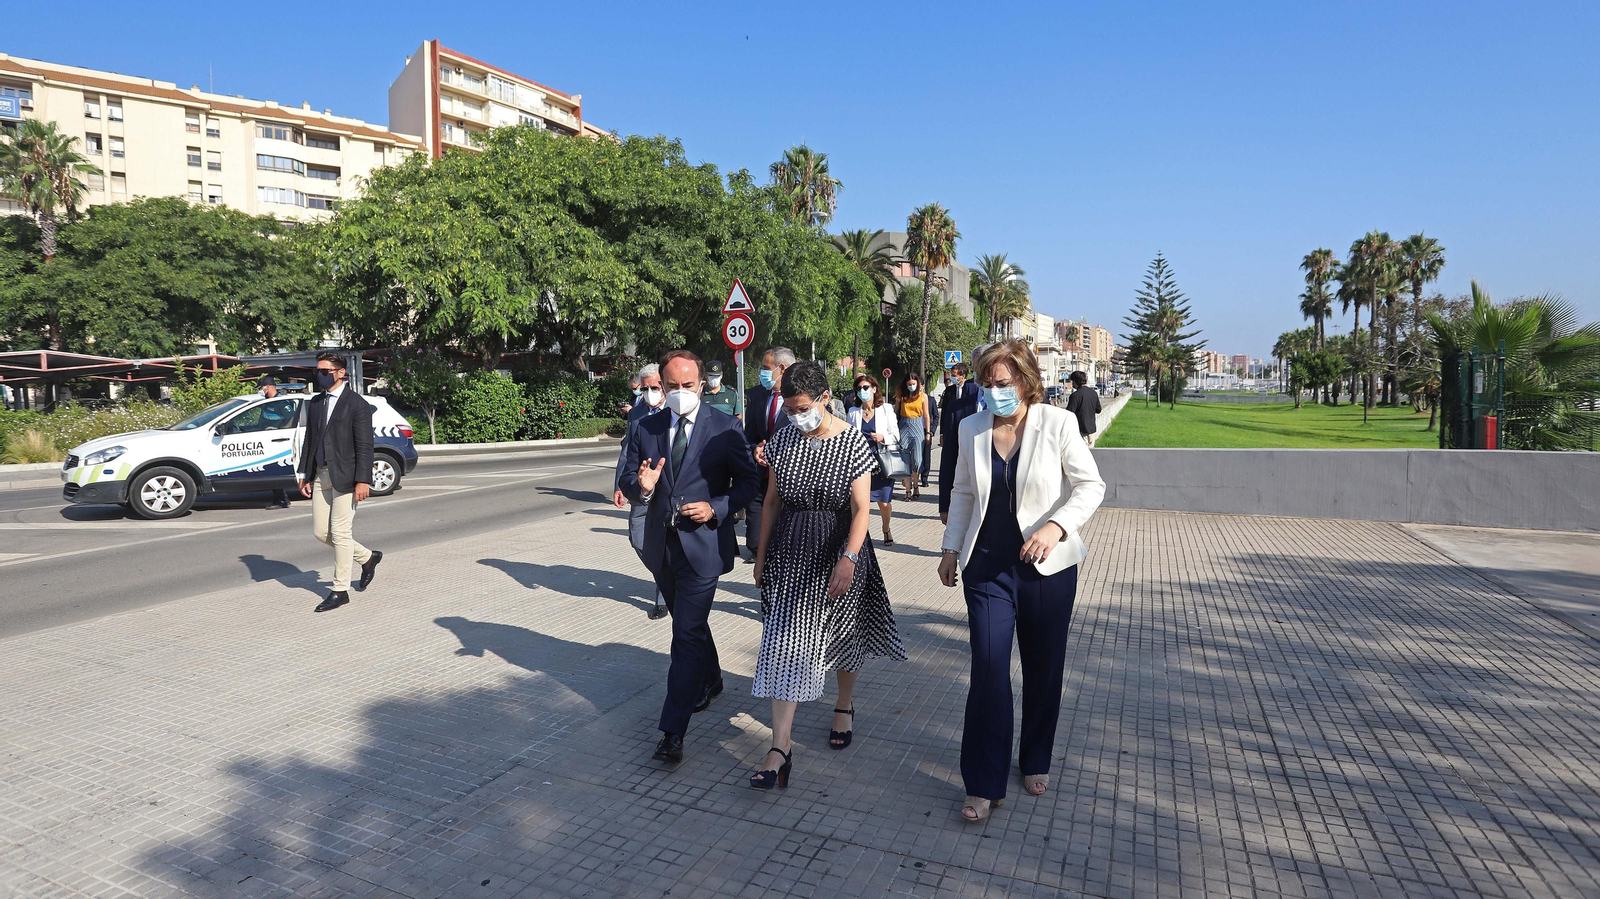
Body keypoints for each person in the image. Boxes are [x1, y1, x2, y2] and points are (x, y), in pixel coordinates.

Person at [937, 340, 1105, 822]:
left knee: (1043, 668)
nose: (993, 392)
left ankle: (1035, 757)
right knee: (989, 670)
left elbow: (1091, 486)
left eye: (1003, 383)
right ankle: (982, 783)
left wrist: (1056, 527)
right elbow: (962, 492)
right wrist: (951, 548)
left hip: (1046, 570)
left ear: (1027, 381)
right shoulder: (971, 427)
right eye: (986, 384)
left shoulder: (1058, 423)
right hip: (987, 569)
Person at [750, 361, 903, 789]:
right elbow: (772, 501)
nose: (796, 416)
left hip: (839, 546)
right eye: (789, 409)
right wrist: (760, 556)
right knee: (783, 640)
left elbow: (861, 509)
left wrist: (849, 558)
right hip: (790, 547)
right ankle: (780, 747)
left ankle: (844, 703)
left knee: (842, 636)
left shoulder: (852, 442)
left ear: (824, 399)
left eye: (802, 408)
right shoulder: (782, 439)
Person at [619, 350, 761, 764]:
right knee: (690, 624)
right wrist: (642, 488)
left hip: (703, 546)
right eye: (671, 386)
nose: (680, 392)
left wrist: (716, 508)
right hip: (661, 546)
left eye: (687, 385)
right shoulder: (646, 426)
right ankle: (712, 678)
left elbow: (748, 482)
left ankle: (672, 731)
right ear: (661, 386)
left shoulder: (725, 427)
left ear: (700, 384)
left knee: (684, 635)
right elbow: (628, 477)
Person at [298, 352, 384, 613]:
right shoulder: (316, 402)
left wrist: (363, 480)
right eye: (318, 371)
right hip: (321, 474)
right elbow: (310, 440)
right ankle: (367, 558)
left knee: (341, 533)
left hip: (347, 477)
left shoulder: (357, 404)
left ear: (340, 373)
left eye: (325, 371)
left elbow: (365, 446)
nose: (320, 375)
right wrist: (304, 473)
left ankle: (340, 590)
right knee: (321, 533)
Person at [614, 363, 669, 620]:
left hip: (668, 490)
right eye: (644, 389)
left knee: (666, 542)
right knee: (638, 538)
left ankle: (663, 598)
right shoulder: (636, 413)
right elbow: (627, 453)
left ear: (664, 386)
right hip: (641, 488)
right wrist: (619, 485)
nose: (649, 393)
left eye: (654, 388)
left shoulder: (676, 410)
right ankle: (665, 573)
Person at [742, 347, 795, 560]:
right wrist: (755, 448)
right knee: (755, 541)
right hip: (760, 475)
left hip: (787, 478)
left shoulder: (800, 397)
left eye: (766, 368)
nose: (762, 372)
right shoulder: (756, 395)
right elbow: (749, 435)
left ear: (782, 369)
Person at [846, 373, 899, 546]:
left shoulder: (886, 409)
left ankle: (886, 528)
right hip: (861, 464)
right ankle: (861, 535)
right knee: (861, 503)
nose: (862, 391)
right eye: (859, 388)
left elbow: (896, 435)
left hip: (882, 461)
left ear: (874, 389)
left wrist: (883, 437)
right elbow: (848, 437)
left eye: (865, 387)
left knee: (884, 502)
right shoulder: (853, 412)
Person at [939, 363, 981, 524]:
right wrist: (945, 505)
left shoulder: (973, 389)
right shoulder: (951, 394)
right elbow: (945, 414)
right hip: (955, 435)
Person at [257, 376, 293, 509]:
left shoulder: (281, 402)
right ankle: (279, 498)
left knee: (273, 469)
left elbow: (292, 418)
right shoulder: (267, 401)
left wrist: (279, 431)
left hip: (277, 440)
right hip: (265, 439)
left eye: (261, 387)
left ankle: (282, 500)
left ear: (268, 386)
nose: (260, 390)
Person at [893, 374, 930, 500]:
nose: (911, 386)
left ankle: (916, 485)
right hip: (904, 425)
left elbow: (926, 415)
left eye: (913, 384)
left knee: (917, 460)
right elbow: (895, 413)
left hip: (917, 426)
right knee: (904, 460)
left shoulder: (923, 396)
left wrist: (928, 433)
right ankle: (908, 490)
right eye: (909, 384)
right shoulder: (901, 396)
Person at [1066, 371, 1103, 446]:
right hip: (1092, 430)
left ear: (1075, 381)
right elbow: (1098, 410)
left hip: (1080, 430)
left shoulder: (1075, 396)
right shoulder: (1093, 393)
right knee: (1091, 450)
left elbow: (1069, 413)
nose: (1072, 383)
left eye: (1072, 381)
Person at [921, 387, 939, 489]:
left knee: (926, 455)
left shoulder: (930, 400)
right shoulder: (912, 399)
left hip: (927, 431)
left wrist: (932, 431)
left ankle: (924, 478)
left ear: (923, 386)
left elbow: (936, 416)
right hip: (916, 430)